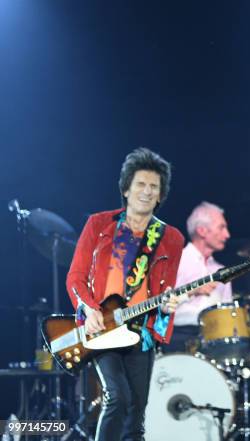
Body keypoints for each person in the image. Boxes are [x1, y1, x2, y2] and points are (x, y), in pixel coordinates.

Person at [66, 147, 184, 441]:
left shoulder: (171, 238)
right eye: (140, 184)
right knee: (117, 397)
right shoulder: (98, 224)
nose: (146, 191)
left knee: (137, 413)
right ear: (126, 189)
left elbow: (166, 291)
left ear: (160, 195)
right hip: (103, 325)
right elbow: (76, 277)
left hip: (142, 331)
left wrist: (169, 305)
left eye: (153, 187)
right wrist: (89, 309)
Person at [164, 201, 232, 353]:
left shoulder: (221, 270)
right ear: (202, 230)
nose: (227, 235)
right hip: (179, 336)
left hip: (214, 337)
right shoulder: (176, 262)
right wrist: (192, 291)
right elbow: (160, 305)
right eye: (221, 227)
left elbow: (227, 311)